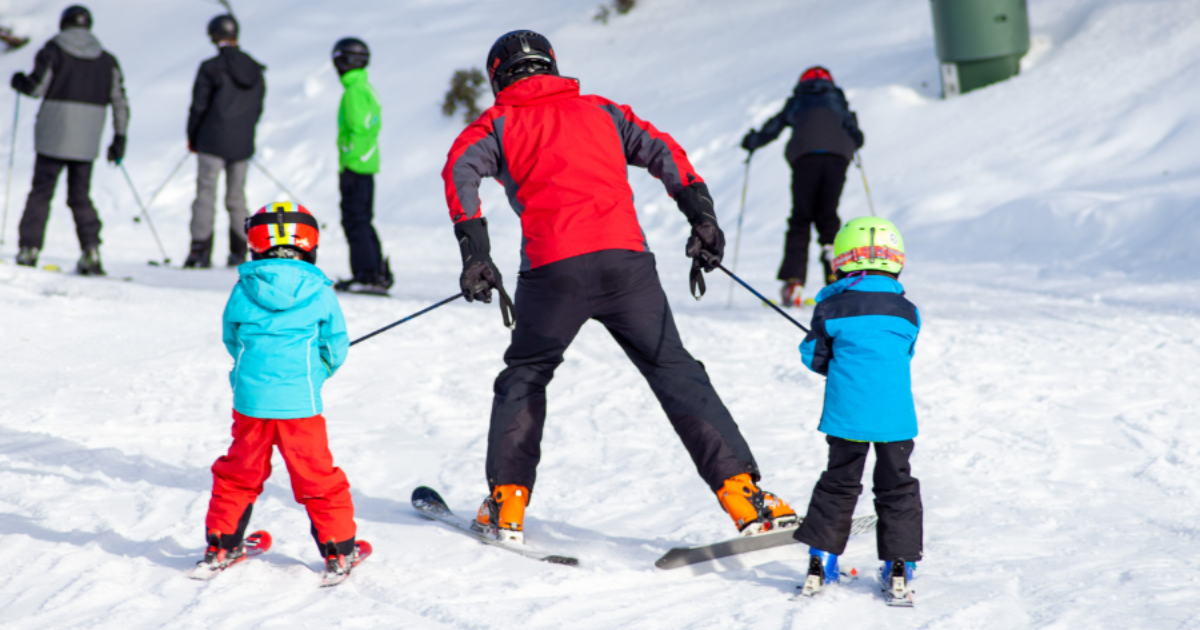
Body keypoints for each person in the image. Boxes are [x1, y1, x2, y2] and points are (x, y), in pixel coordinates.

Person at [441, 30, 797, 544]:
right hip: (625, 265)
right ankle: (746, 497)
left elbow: (460, 171)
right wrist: (702, 218)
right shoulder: (602, 111)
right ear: (551, 64)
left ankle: (507, 505)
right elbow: (665, 152)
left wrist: (475, 252)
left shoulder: (495, 124)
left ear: (498, 77)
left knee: (526, 374)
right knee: (674, 371)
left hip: (553, 272)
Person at [197, 201, 365, 580]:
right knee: (317, 477)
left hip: (251, 404)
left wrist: (254, 372)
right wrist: (315, 372)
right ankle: (339, 550)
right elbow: (335, 346)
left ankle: (221, 543)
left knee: (238, 473)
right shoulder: (319, 291)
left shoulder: (243, 288)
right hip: (300, 407)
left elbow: (232, 338)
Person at [791, 217, 922, 604]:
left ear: (842, 260)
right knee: (897, 486)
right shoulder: (907, 310)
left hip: (847, 415)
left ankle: (822, 560)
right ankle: (899, 566)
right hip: (895, 419)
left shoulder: (830, 307)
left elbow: (813, 357)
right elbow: (905, 351)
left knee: (839, 482)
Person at [10, 5, 127, 275]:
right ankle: (91, 251)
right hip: (87, 141)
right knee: (80, 196)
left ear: (63, 24)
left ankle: (29, 249)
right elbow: (120, 101)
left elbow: (36, 87)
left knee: (41, 192)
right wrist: (119, 138)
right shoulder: (108, 60)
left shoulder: (53, 50)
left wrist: (19, 82)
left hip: (53, 135)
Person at [741, 66, 864, 307]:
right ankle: (835, 276)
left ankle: (793, 283)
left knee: (801, 217)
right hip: (838, 157)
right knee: (828, 216)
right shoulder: (839, 102)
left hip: (805, 156)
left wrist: (753, 141)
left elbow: (773, 128)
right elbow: (857, 136)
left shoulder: (797, 101)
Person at [184, 14, 265, 268]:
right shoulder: (254, 69)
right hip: (242, 144)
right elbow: (258, 109)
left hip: (211, 141)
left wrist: (192, 137)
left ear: (215, 35)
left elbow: (199, 106)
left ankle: (200, 252)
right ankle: (239, 252)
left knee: (205, 195)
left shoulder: (211, 67)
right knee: (237, 197)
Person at [331, 37, 391, 294]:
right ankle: (375, 272)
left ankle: (366, 275)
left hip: (355, 165)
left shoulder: (354, 90)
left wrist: (349, 155)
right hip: (366, 163)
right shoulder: (365, 86)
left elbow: (359, 126)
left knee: (354, 220)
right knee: (363, 219)